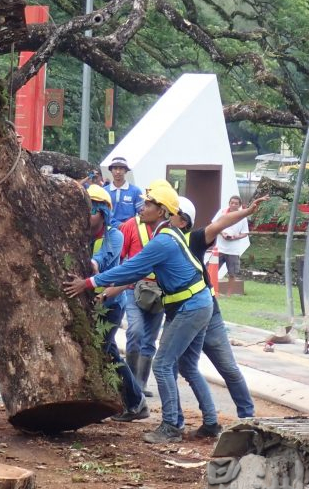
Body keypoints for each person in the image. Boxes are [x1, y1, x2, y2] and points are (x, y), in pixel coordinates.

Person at [64, 179, 217, 444]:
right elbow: (141, 271)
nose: (142, 207)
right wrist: (113, 288)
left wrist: (89, 283)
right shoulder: (169, 235)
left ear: (162, 211)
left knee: (162, 364)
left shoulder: (163, 242)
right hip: (198, 304)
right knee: (188, 366)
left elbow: (132, 267)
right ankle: (211, 423)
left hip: (189, 307)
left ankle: (171, 425)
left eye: (149, 204)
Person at [170, 195, 268, 434]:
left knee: (225, 367)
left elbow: (220, 224)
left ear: (182, 220)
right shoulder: (161, 242)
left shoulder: (192, 239)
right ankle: (177, 419)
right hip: (180, 314)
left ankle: (247, 417)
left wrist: (246, 213)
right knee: (174, 366)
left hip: (206, 313)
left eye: (169, 212)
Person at [84, 185, 149, 422]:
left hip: (110, 303)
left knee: (107, 350)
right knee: (92, 353)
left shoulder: (115, 235)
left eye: (90, 210)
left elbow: (103, 259)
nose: (86, 215)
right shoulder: (78, 232)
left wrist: (91, 264)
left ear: (102, 213)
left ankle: (136, 401)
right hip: (88, 303)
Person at [114, 200, 164, 397]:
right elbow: (121, 258)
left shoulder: (168, 231)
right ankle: (132, 384)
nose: (144, 208)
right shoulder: (130, 226)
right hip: (134, 288)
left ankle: (140, 384)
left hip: (159, 291)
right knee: (135, 332)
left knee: (150, 339)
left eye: (149, 204)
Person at [213, 195, 250, 297]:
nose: (233, 205)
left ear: (239, 205)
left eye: (236, 203)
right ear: (229, 203)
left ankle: (229, 294)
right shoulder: (222, 212)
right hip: (219, 248)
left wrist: (235, 237)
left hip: (233, 250)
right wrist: (222, 233)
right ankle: (213, 291)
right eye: (232, 203)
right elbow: (214, 224)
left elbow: (245, 233)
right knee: (212, 270)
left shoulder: (242, 216)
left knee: (232, 273)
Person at [104, 156, 144, 227]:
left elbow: (142, 213)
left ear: (125, 171)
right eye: (115, 168)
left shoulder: (135, 191)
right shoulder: (104, 191)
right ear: (111, 170)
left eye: (121, 168)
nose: (118, 172)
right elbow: (102, 213)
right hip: (109, 230)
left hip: (129, 230)